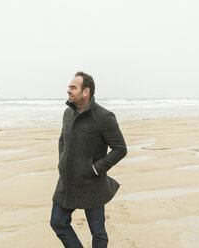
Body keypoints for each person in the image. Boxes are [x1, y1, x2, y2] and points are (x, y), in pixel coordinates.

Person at [50, 71, 127, 248]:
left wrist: (95, 169)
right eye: (69, 86)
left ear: (86, 91)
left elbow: (120, 149)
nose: (68, 90)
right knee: (58, 222)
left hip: (92, 184)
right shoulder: (67, 114)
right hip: (66, 182)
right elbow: (62, 138)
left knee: (98, 234)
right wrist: (62, 160)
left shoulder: (104, 117)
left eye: (73, 87)